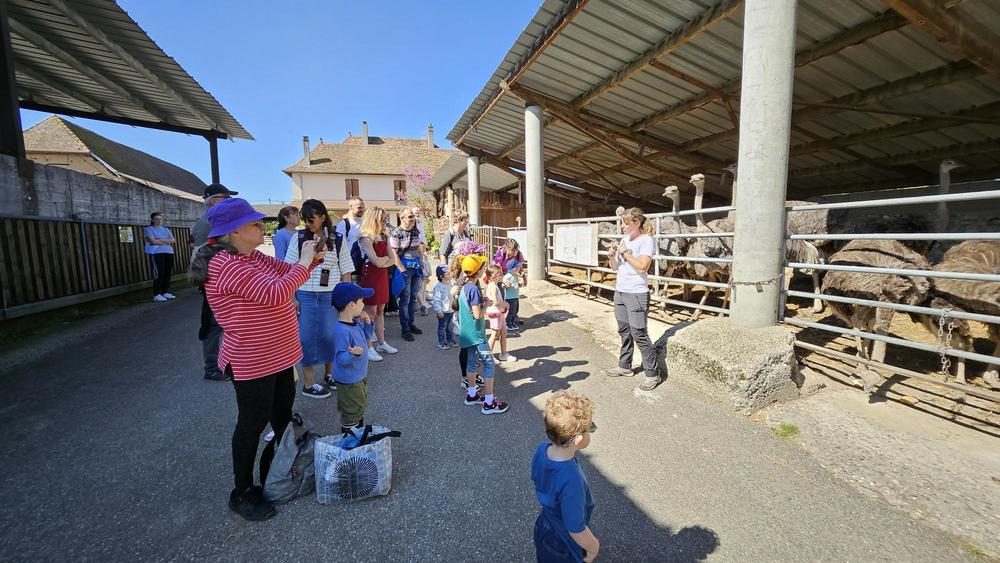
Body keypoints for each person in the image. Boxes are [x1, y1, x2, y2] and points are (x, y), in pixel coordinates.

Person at [189, 197, 324, 522]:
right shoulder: (225, 264)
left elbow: (289, 273)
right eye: (253, 223)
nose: (262, 226)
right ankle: (243, 492)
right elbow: (277, 292)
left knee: (281, 417)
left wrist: (311, 260)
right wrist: (305, 263)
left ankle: (280, 471)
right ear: (232, 232)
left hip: (280, 356)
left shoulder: (254, 258)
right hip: (252, 360)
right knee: (251, 425)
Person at [284, 199, 354, 399]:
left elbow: (346, 270)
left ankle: (330, 374)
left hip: (330, 295)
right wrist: (292, 298)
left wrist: (346, 297)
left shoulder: (338, 238)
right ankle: (308, 383)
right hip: (304, 294)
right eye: (305, 220)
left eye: (311, 219)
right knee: (306, 338)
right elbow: (288, 269)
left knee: (330, 337)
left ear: (323, 217)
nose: (307, 223)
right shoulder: (298, 239)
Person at [531, 391, 598, 563]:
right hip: (562, 542)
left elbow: (536, 476)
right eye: (590, 429)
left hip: (545, 523)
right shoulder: (571, 480)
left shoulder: (542, 449)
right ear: (578, 439)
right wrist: (592, 548)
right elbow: (575, 528)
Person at [605, 207, 661, 391]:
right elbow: (615, 268)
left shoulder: (646, 241)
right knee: (624, 331)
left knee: (639, 333)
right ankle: (625, 366)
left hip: (637, 293)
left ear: (636, 223)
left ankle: (653, 373)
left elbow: (642, 267)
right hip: (620, 291)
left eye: (625, 223)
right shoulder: (624, 240)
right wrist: (612, 257)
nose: (622, 226)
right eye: (622, 223)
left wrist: (626, 252)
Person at [192, 183, 238, 382]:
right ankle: (212, 367)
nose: (228, 201)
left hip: (215, 277)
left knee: (219, 323)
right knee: (213, 324)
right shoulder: (208, 222)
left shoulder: (209, 220)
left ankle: (218, 364)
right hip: (214, 279)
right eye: (224, 197)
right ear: (212, 199)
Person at [457, 253, 509, 415]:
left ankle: (472, 394)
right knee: (488, 364)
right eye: (481, 266)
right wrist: (486, 304)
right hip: (477, 334)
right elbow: (478, 315)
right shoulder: (473, 289)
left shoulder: (465, 286)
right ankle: (489, 402)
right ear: (478, 271)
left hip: (466, 333)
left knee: (471, 363)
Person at [331, 282, 375, 434]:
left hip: (357, 377)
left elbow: (367, 337)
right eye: (361, 300)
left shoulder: (355, 323)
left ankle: (357, 436)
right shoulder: (341, 330)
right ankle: (350, 444)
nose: (364, 303)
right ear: (351, 304)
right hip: (349, 381)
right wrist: (352, 353)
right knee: (351, 413)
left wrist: (368, 323)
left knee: (358, 408)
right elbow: (340, 359)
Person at [357, 206, 400, 362]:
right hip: (370, 277)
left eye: (386, 218)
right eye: (383, 218)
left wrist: (383, 262)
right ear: (374, 219)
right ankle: (368, 346)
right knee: (370, 313)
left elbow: (392, 259)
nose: (385, 221)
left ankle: (381, 342)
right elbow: (375, 260)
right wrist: (383, 262)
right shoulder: (365, 237)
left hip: (381, 276)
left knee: (381, 310)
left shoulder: (383, 236)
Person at [391, 208, 426, 342]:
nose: (412, 219)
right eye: (410, 217)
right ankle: (405, 329)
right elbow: (393, 253)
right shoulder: (396, 233)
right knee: (405, 299)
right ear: (402, 218)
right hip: (405, 269)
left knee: (412, 298)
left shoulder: (415, 231)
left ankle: (411, 324)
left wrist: (421, 264)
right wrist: (402, 269)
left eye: (412, 217)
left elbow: (419, 249)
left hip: (416, 268)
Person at [484, 263, 515, 362]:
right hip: (495, 313)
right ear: (493, 276)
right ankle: (488, 355)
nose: (502, 275)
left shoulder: (494, 285)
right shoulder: (493, 287)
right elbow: (496, 302)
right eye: (500, 274)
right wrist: (505, 304)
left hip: (498, 313)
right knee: (494, 334)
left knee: (503, 332)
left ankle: (504, 353)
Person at [144, 212, 176, 302]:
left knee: (168, 272)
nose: (159, 221)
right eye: (157, 219)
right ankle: (156, 294)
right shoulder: (149, 229)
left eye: (160, 219)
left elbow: (173, 240)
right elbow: (153, 242)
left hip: (169, 252)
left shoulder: (166, 229)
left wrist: (159, 240)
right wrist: (166, 241)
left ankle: (165, 291)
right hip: (156, 253)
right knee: (159, 273)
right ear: (152, 220)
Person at [411, 206, 432, 317]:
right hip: (415, 256)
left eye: (418, 212)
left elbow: (422, 240)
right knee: (417, 282)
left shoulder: (420, 224)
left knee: (424, 280)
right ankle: (420, 303)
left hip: (422, 253)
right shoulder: (412, 226)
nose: (417, 214)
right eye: (415, 213)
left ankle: (422, 300)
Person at [431, 265, 457, 350]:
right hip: (443, 312)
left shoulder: (450, 284)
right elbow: (436, 300)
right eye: (448, 274)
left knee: (450, 327)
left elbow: (453, 295)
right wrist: (439, 311)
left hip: (450, 310)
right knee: (442, 328)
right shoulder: (438, 288)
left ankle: (450, 340)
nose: (450, 275)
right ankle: (442, 342)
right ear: (441, 276)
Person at [503, 259, 525, 332]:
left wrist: (519, 284)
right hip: (510, 297)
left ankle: (512, 322)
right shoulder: (507, 276)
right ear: (514, 268)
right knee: (512, 311)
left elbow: (515, 283)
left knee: (515, 310)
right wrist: (505, 285)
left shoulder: (515, 275)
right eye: (518, 267)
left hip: (515, 296)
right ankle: (508, 322)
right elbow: (503, 284)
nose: (520, 268)